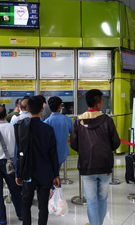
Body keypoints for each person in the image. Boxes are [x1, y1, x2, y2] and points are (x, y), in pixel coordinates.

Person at [70, 89, 120, 225]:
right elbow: (116, 143)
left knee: (91, 201)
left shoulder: (77, 121)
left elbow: (74, 145)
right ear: (99, 103)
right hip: (105, 166)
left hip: (87, 166)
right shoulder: (107, 120)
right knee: (102, 199)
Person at [14, 96, 60, 225]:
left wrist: (18, 173)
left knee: (26, 203)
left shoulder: (20, 127)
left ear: (27, 109)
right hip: (45, 173)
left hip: (27, 172)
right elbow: (53, 154)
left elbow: (18, 153)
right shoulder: (48, 129)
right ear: (42, 109)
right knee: (43, 205)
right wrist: (56, 174)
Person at [44, 96, 72, 185]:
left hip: (50, 155)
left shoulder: (46, 122)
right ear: (60, 107)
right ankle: (56, 194)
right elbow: (73, 133)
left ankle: (54, 194)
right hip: (62, 153)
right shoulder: (67, 120)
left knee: (52, 176)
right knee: (56, 174)